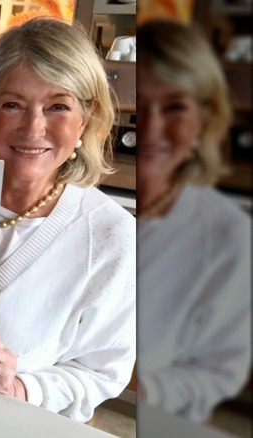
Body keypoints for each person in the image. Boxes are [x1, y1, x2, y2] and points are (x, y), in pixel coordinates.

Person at [0, 17, 136, 423]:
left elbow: (101, 372)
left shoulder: (109, 234)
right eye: (12, 104)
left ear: (86, 118)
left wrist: (20, 387)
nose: (33, 128)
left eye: (58, 106)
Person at [136, 18, 251, 425]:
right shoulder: (90, 205)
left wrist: (139, 387)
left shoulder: (227, 234)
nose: (151, 127)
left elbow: (219, 372)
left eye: (174, 107)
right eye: (139, 103)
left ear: (206, 117)